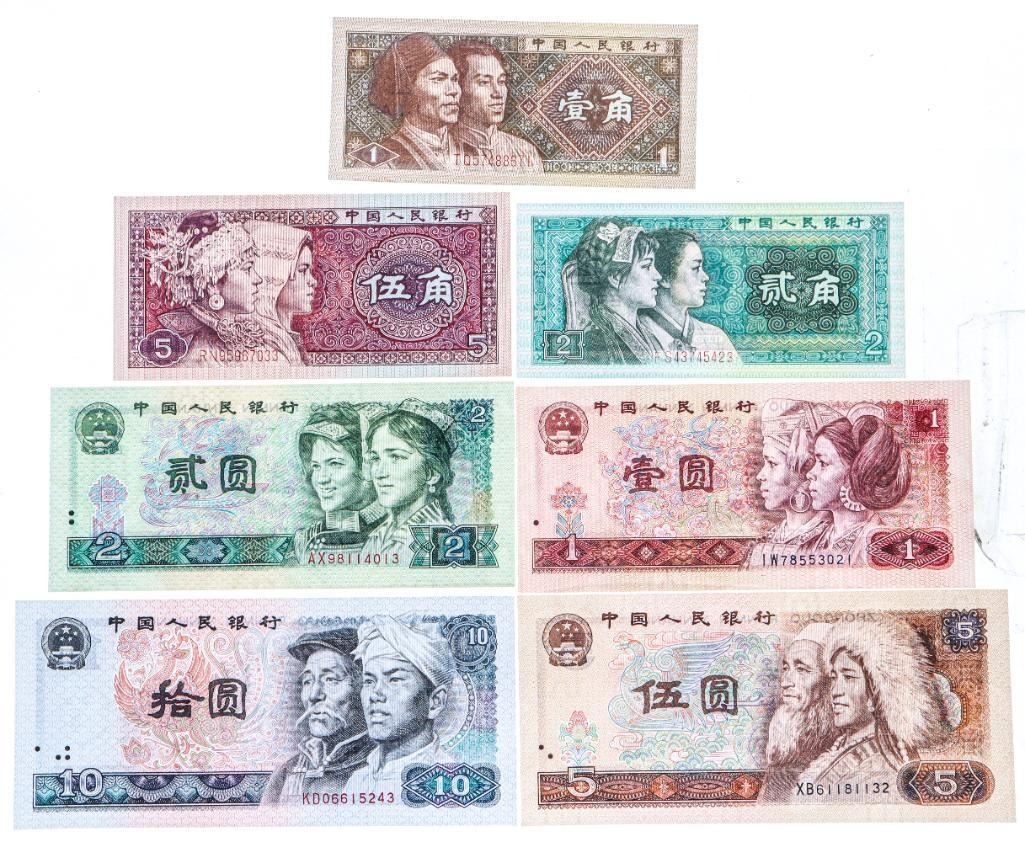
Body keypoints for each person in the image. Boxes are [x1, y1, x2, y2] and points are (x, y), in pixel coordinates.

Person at [148, 212, 314, 367]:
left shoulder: (246, 336)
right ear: (213, 284)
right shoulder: (195, 353)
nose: (258, 279)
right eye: (247, 269)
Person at [800, 618, 946, 789]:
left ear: (876, 691)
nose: (835, 691)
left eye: (849, 677)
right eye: (834, 677)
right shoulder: (843, 744)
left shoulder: (882, 766)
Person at [343, 615, 458, 792]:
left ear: (435, 702)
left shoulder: (448, 782)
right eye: (369, 681)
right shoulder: (357, 781)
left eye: (394, 680)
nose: (375, 695)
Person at [262, 628, 374, 803]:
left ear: (365, 687)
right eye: (308, 681)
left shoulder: (383, 767)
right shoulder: (287, 772)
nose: (314, 695)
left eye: (331, 680)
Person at [807, 404, 912, 566]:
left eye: (823, 463)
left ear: (856, 473)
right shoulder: (812, 543)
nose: (810, 474)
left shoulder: (883, 547)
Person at [749, 400, 843, 567]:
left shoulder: (836, 542)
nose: (760, 476)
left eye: (772, 463)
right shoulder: (767, 540)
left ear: (807, 470)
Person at [360, 400, 455, 559]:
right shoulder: (378, 536)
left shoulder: (441, 541)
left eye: (396, 457)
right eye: (375, 458)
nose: (379, 473)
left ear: (432, 473)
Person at [293, 403, 386, 561]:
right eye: (316, 466)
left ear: (367, 466)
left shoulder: (401, 532)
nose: (321, 479)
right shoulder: (305, 540)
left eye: (335, 464)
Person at [760, 623, 838, 803]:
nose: (785, 682)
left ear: (829, 681)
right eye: (786, 668)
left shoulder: (837, 753)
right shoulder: (786, 748)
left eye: (802, 670)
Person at [572, 218, 663, 364]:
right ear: (615, 277)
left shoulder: (650, 337)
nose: (658, 276)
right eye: (646, 266)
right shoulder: (593, 345)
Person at [641, 229, 740, 361]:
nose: (705, 277)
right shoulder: (637, 335)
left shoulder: (716, 338)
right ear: (665, 278)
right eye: (695, 268)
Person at [368, 34, 463, 170]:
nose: (454, 91)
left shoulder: (476, 152)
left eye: (454, 79)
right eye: (438, 79)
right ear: (407, 88)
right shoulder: (381, 162)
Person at [447, 40, 543, 173]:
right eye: (484, 82)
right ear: (458, 89)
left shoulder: (525, 151)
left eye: (501, 81)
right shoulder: (441, 150)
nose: (498, 93)